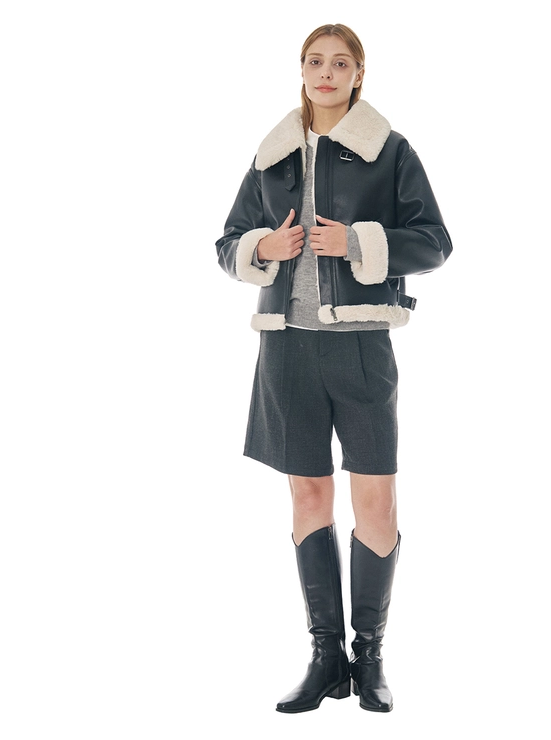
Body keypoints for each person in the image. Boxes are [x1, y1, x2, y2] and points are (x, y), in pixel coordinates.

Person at [215, 23, 452, 713]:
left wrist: (357, 242)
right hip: (285, 347)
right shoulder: (272, 156)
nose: (326, 72)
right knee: (308, 498)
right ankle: (326, 660)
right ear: (301, 70)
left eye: (339, 63)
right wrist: (262, 247)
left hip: (361, 343)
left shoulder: (390, 150)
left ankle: (369, 658)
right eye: (315, 61)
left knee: (376, 500)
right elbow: (227, 242)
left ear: (358, 74)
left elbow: (436, 242)